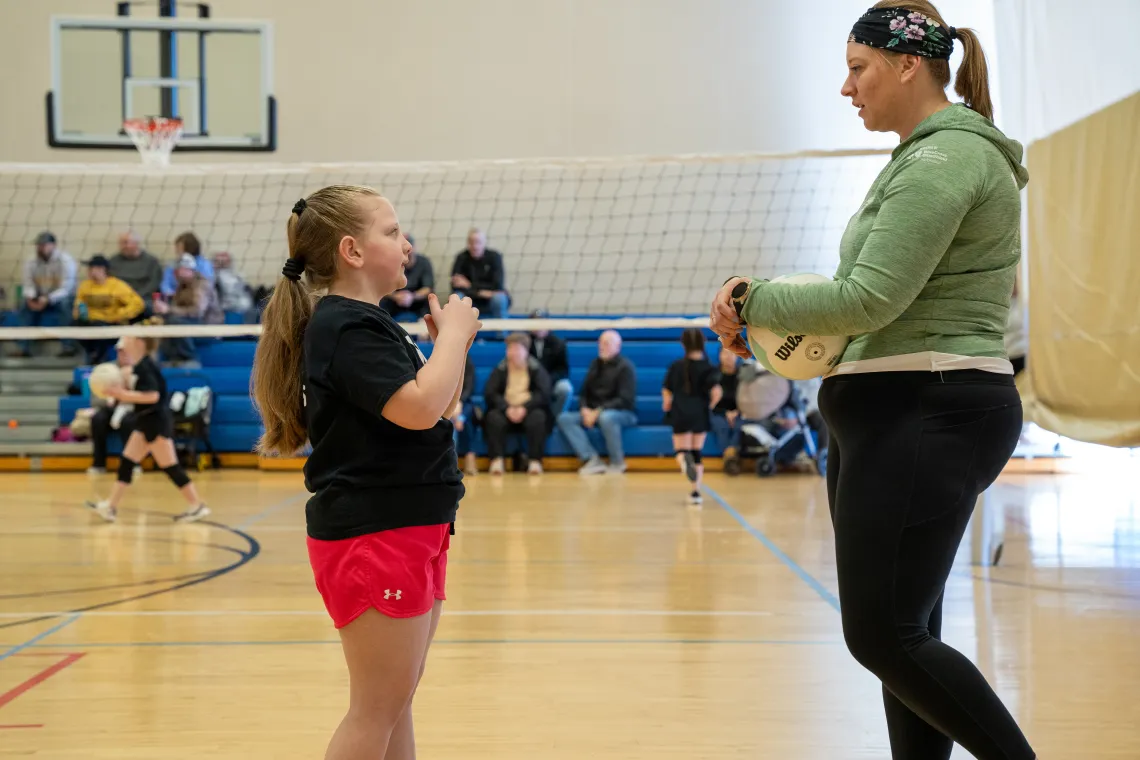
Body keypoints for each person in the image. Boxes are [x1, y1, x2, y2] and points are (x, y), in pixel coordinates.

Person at [709, 4, 1034, 759]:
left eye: (859, 68)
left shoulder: (946, 158)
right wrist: (760, 332)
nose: (846, 87)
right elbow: (859, 322)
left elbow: (866, 298)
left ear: (908, 64)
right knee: (907, 635)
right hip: (895, 406)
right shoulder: (919, 158)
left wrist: (752, 295)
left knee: (884, 635)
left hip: (929, 406)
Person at [250, 185, 480, 760]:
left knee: (393, 705)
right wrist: (452, 335)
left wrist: (452, 351)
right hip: (376, 534)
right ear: (352, 250)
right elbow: (420, 407)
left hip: (411, 526)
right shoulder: (346, 328)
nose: (406, 245)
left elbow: (438, 406)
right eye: (392, 232)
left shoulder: (369, 326)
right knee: (374, 709)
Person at [85, 334, 209, 524]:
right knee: (127, 462)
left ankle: (197, 505)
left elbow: (152, 396)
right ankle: (110, 506)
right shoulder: (138, 366)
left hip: (155, 423)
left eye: (128, 341)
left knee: (170, 466)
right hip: (145, 421)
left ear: (139, 343)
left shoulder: (145, 366)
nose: (124, 345)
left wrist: (122, 394)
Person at [555, 330, 637, 474]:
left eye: (606, 343)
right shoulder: (595, 364)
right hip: (595, 411)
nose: (601, 346)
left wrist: (598, 411)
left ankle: (617, 462)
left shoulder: (625, 367)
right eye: (600, 343)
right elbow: (584, 393)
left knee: (607, 418)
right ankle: (591, 459)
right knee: (564, 418)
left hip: (623, 413)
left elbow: (625, 400)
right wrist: (584, 409)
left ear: (617, 346)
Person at [662, 328, 721, 505]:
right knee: (697, 453)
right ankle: (696, 493)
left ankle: (683, 460)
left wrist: (667, 406)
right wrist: (709, 406)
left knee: (681, 450)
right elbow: (717, 392)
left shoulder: (676, 366)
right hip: (700, 412)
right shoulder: (709, 367)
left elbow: (667, 390)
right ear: (703, 344)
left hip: (680, 411)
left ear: (683, 344)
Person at [483, 332, 553, 475]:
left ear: (525, 350)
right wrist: (506, 408)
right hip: (506, 409)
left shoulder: (536, 368)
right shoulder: (500, 368)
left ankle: (535, 461)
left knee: (538, 418)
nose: (512, 353)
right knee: (493, 418)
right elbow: (490, 393)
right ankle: (497, 460)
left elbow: (543, 394)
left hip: (528, 409)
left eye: (516, 349)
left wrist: (525, 408)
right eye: (509, 349)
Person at [14, 231, 77, 357]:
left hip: (61, 297)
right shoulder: (31, 261)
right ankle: (24, 347)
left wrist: (47, 299)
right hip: (39, 295)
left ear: (53, 245)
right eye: (39, 245)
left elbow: (66, 289)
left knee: (65, 305)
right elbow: (28, 283)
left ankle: (68, 346)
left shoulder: (66, 261)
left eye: (44, 245)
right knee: (24, 306)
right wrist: (31, 298)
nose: (41, 248)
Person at [72, 255, 145, 364]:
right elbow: (78, 303)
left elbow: (138, 304)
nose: (89, 271)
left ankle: (97, 359)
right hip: (89, 322)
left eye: (92, 268)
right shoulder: (85, 286)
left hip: (110, 323)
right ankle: (93, 354)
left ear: (102, 269)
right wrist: (79, 311)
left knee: (99, 329)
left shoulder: (117, 285)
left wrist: (120, 314)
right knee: (74, 324)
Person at [449, 228, 509, 319]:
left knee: (499, 298)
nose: (475, 246)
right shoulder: (461, 258)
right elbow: (455, 286)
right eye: (471, 242)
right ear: (468, 243)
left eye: (478, 242)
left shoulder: (494, 257)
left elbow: (498, 286)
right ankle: (461, 333)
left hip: (489, 300)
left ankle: (502, 333)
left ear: (484, 243)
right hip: (470, 299)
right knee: (457, 297)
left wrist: (469, 285)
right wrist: (484, 292)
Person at [380, 233, 435, 321]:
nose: (406, 256)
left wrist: (412, 296)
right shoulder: (390, 262)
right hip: (394, 307)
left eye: (409, 250)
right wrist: (395, 296)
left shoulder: (424, 262)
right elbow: (381, 287)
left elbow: (428, 288)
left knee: (430, 300)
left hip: (417, 307)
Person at [528, 308, 572, 415]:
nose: (538, 327)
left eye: (541, 322)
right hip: (530, 383)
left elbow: (563, 370)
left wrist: (547, 380)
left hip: (551, 381)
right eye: (535, 323)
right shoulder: (524, 342)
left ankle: (556, 419)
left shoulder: (558, 344)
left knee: (565, 388)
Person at [709, 349, 742, 475]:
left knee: (741, 425)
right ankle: (731, 457)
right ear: (720, 355)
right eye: (726, 353)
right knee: (720, 424)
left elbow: (750, 398)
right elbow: (709, 401)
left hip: (740, 411)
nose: (729, 357)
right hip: (718, 411)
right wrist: (725, 413)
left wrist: (737, 411)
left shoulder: (743, 375)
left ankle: (729, 456)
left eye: (733, 353)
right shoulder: (712, 375)